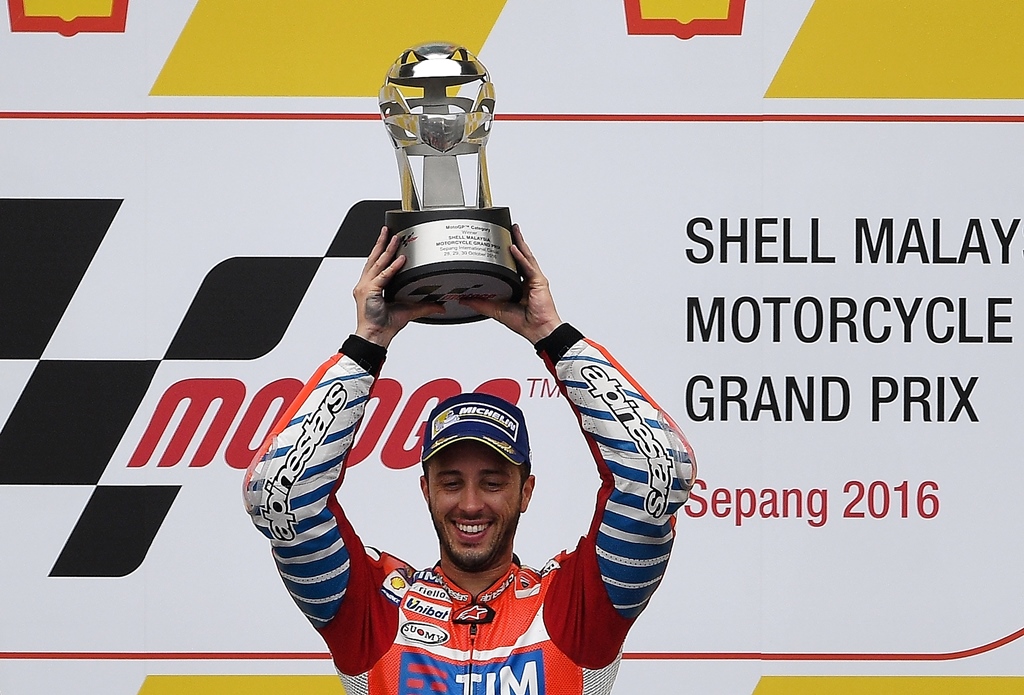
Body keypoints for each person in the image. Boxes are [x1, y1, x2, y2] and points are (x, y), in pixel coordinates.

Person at [244, 225, 696, 694]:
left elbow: (658, 473)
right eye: (452, 481)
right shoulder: (374, 611)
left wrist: (551, 335)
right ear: (426, 490)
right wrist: (368, 341)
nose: (472, 504)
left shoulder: (576, 607)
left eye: (494, 481)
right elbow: (280, 496)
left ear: (526, 491)